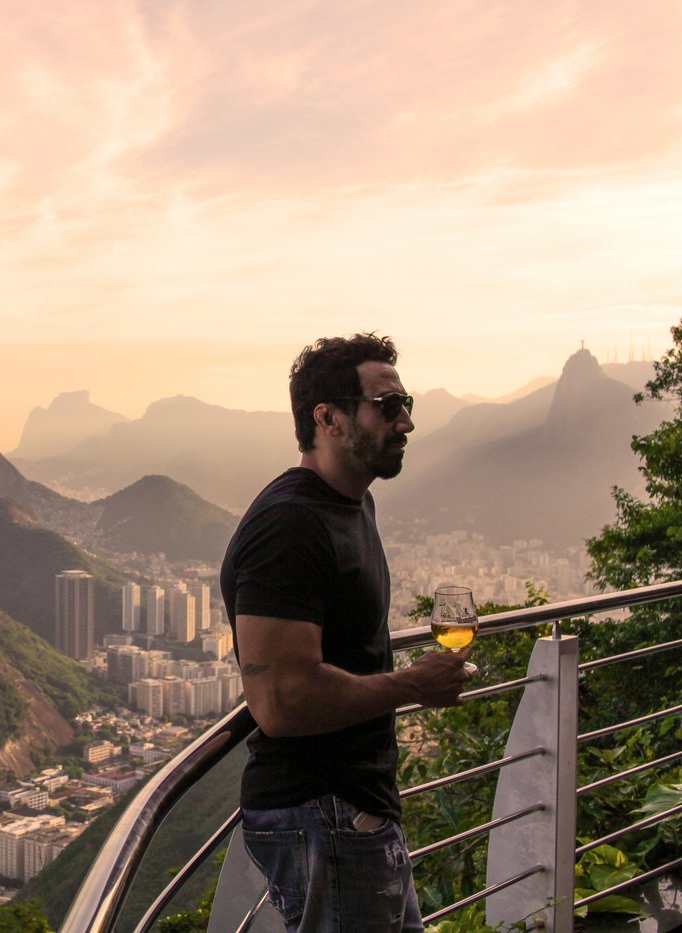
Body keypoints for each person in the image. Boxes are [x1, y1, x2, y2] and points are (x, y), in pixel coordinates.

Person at [218, 333, 472, 932]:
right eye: (387, 406)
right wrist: (413, 685)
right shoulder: (289, 526)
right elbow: (282, 701)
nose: (405, 421)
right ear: (327, 418)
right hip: (322, 817)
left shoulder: (354, 504)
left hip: (354, 815)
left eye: (405, 404)